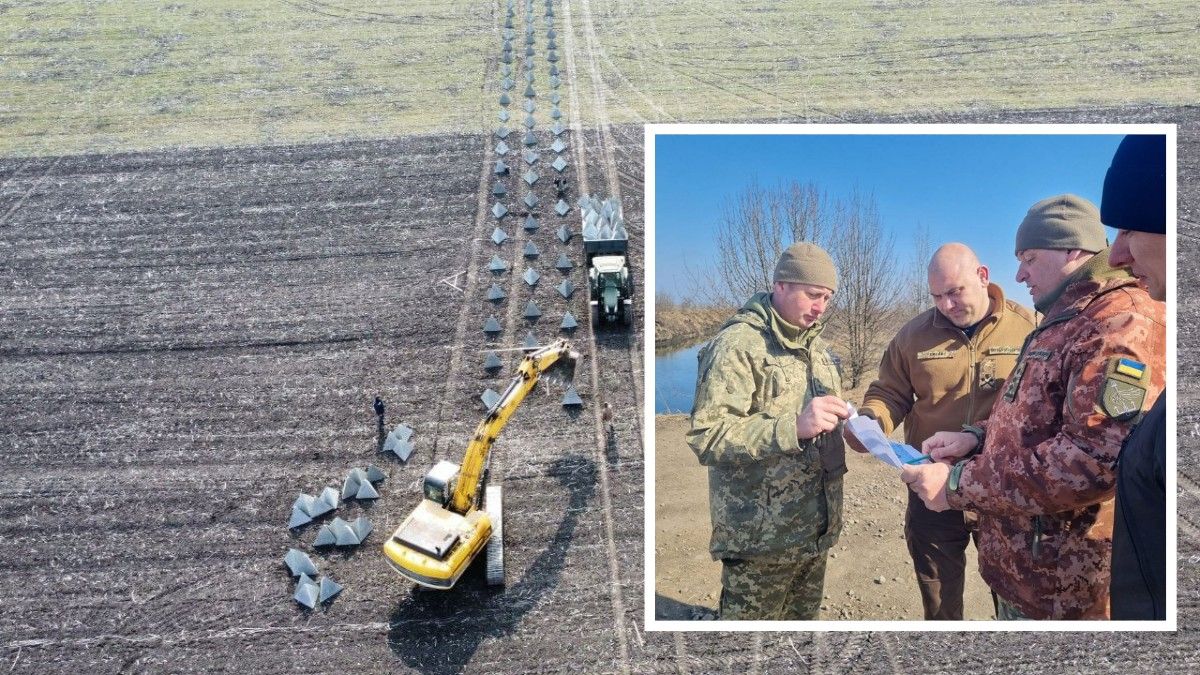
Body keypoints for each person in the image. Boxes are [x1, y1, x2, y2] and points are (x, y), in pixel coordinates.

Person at [902, 194, 1166, 620]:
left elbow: (1091, 461)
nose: (1020, 273)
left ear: (1071, 250)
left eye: (1028, 258)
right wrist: (975, 437)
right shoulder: (1065, 318)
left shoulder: (1118, 322)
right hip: (1025, 572)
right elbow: (1033, 414)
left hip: (1064, 589)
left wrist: (956, 485)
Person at [844, 243, 1035, 619]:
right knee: (939, 598)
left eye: (954, 292)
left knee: (1014, 594)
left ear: (983, 277)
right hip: (930, 483)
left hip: (998, 485)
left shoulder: (1029, 327)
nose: (946, 305)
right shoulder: (914, 334)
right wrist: (871, 423)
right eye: (936, 296)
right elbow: (889, 391)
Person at [687, 241, 848, 620]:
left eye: (827, 298)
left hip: (814, 531)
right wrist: (792, 427)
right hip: (761, 540)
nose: (820, 307)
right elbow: (708, 435)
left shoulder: (816, 349)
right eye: (813, 295)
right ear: (781, 286)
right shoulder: (738, 345)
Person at [1103, 134, 1168, 620]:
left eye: (1131, 228)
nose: (1116, 256)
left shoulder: (1116, 326)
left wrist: (959, 482)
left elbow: (1093, 448)